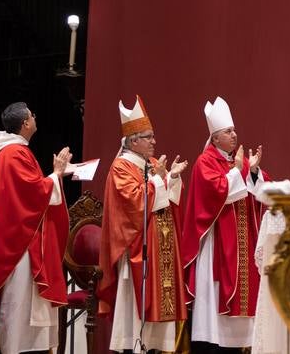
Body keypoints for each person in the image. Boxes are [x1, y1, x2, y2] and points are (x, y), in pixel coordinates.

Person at [98, 96, 188, 352]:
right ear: (134, 140)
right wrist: (159, 181)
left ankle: (154, 347)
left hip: (161, 249)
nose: (154, 142)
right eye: (149, 137)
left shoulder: (153, 164)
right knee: (136, 312)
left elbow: (163, 198)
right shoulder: (121, 167)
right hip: (138, 251)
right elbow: (133, 203)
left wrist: (172, 178)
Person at [182, 96, 266, 351]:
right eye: (228, 131)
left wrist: (251, 172)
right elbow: (217, 193)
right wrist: (240, 170)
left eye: (234, 130)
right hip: (216, 244)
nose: (234, 135)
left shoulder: (233, 162)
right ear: (215, 137)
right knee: (213, 312)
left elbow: (255, 191)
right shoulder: (204, 162)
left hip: (238, 244)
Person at [0, 102, 71, 354]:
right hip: (21, 240)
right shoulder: (14, 153)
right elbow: (32, 192)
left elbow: (31, 188)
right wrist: (56, 174)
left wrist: (55, 177)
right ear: (25, 122)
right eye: (32, 115)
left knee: (26, 304)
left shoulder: (16, 151)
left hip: (24, 235)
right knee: (20, 304)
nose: (35, 118)